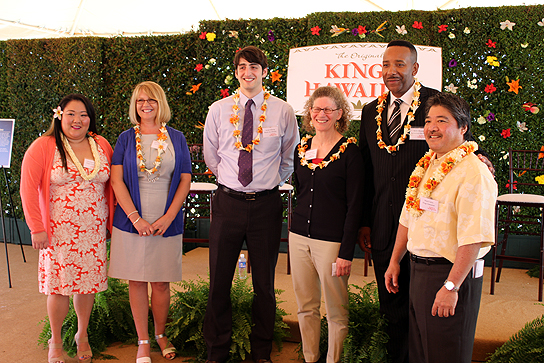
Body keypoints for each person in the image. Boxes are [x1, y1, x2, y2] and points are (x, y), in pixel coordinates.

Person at [358, 39, 493, 363]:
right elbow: (366, 168)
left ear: (415, 68)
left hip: (436, 238)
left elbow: (458, 140)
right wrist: (366, 220)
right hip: (389, 226)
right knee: (394, 308)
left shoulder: (433, 103)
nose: (392, 71)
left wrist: (481, 157)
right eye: (386, 64)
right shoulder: (369, 111)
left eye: (400, 64)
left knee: (432, 322)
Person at [203, 46, 299, 363]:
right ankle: (216, 351)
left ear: (264, 72)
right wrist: (233, 179)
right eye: (242, 67)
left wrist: (268, 181)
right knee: (218, 282)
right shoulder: (218, 110)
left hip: (266, 206)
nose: (248, 72)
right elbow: (212, 157)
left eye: (254, 67)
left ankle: (260, 352)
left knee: (264, 286)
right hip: (228, 203)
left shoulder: (282, 111)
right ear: (236, 72)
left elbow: (289, 157)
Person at [384, 93, 497, 363]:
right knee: (422, 353)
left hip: (449, 274)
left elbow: (475, 237)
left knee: (446, 354)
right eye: (428, 121)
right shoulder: (428, 164)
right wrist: (394, 261)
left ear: (463, 127)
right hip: (419, 272)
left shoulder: (474, 172)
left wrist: (451, 286)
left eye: (442, 120)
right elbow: (408, 216)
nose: (432, 127)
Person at [20, 94, 114, 363]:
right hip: (58, 233)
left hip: (93, 231)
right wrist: (36, 227)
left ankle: (81, 335)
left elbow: (112, 185)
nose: (78, 120)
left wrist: (113, 223)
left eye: (84, 115)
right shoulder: (44, 146)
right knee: (59, 287)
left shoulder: (101, 145)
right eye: (71, 114)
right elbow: (27, 188)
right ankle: (56, 339)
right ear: (59, 115)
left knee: (87, 286)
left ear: (90, 118)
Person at [108, 81, 191, 363]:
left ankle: (160, 333)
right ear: (135, 105)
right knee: (136, 280)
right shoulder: (124, 139)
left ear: (160, 103)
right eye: (141, 100)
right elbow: (117, 181)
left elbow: (184, 179)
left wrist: (169, 217)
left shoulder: (177, 138)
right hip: (132, 219)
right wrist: (135, 218)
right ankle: (143, 340)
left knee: (161, 282)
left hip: (166, 218)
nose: (146, 105)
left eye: (152, 100)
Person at [289, 86, 363, 363]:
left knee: (336, 311)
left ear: (339, 113)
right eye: (316, 109)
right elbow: (301, 190)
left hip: (331, 243)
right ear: (309, 113)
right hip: (299, 238)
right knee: (305, 307)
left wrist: (346, 252)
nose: (321, 114)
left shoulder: (350, 151)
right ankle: (310, 358)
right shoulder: (301, 149)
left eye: (328, 109)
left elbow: (355, 205)